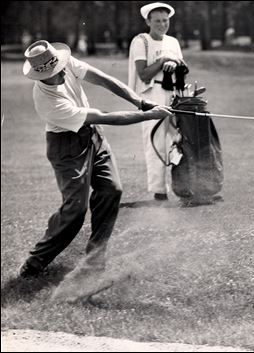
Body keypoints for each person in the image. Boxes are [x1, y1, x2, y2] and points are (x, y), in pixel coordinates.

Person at [19, 39, 172, 279]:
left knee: (112, 190)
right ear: (41, 76)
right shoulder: (47, 101)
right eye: (54, 73)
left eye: (60, 69)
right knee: (76, 209)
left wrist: (139, 101)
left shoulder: (65, 61)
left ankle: (94, 260)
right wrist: (149, 115)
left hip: (93, 136)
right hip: (66, 146)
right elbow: (103, 116)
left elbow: (103, 79)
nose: (61, 74)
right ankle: (36, 261)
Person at [128, 2, 186, 201]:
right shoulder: (141, 41)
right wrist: (163, 61)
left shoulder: (173, 42)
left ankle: (186, 186)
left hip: (173, 94)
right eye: (157, 21)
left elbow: (182, 67)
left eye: (165, 20)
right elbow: (143, 74)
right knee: (156, 141)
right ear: (148, 22)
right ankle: (159, 191)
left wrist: (174, 62)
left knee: (179, 139)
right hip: (151, 95)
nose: (162, 24)